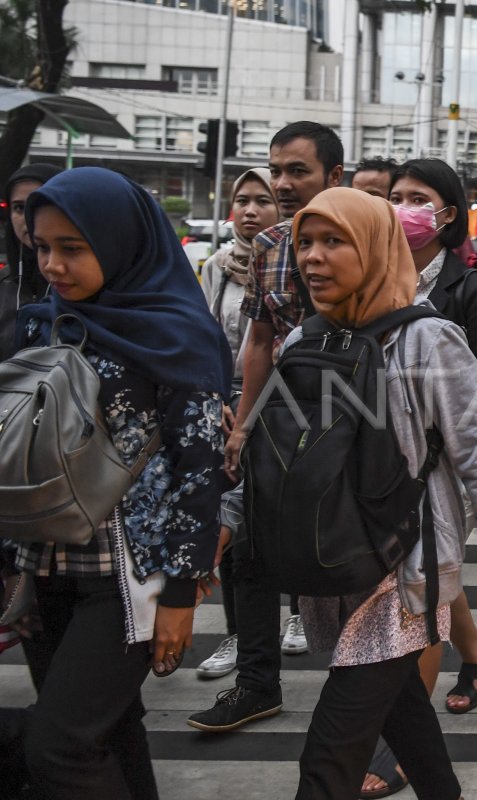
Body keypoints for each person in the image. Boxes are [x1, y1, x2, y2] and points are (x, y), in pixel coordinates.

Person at [282, 187, 477, 800]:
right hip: (334, 564)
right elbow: (284, 457)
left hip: (404, 574)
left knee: (327, 762)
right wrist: (231, 523)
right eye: (304, 243)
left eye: (333, 241)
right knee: (408, 720)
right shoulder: (301, 343)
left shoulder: (429, 339)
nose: (313, 258)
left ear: (375, 247)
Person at [8, 166, 229, 798]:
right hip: (42, 563)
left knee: (62, 745)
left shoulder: (178, 336)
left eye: (73, 249)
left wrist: (181, 597)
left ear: (121, 242)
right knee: (109, 731)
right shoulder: (37, 324)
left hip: (129, 577)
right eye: (44, 246)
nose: (53, 264)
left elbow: (199, 472)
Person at [189, 121, 343, 734]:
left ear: (333, 176)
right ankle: (256, 682)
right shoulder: (270, 245)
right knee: (246, 549)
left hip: (347, 425)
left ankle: (361, 691)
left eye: (295, 171)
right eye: (275, 170)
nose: (281, 183)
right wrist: (243, 425)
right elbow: (258, 337)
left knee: (339, 556)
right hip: (276, 423)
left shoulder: (369, 235)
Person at [389, 159, 477, 711]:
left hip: (446, 471)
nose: (402, 208)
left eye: (417, 198)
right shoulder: (372, 277)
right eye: (395, 195)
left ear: (446, 214)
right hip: (390, 467)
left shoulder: (469, 292)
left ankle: (401, 740)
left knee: (420, 591)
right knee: (436, 576)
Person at [194, 168, 281, 679]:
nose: (250, 211)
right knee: (228, 525)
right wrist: (213, 401)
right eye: (241, 201)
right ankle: (238, 634)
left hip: (276, 405)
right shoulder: (217, 267)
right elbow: (203, 337)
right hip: (222, 406)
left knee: (273, 520)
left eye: (262, 201)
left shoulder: (293, 261)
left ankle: (293, 618)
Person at [2, 163, 61, 360]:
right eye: (19, 207)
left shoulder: (82, 281)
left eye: (39, 204)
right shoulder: (3, 282)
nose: (27, 217)